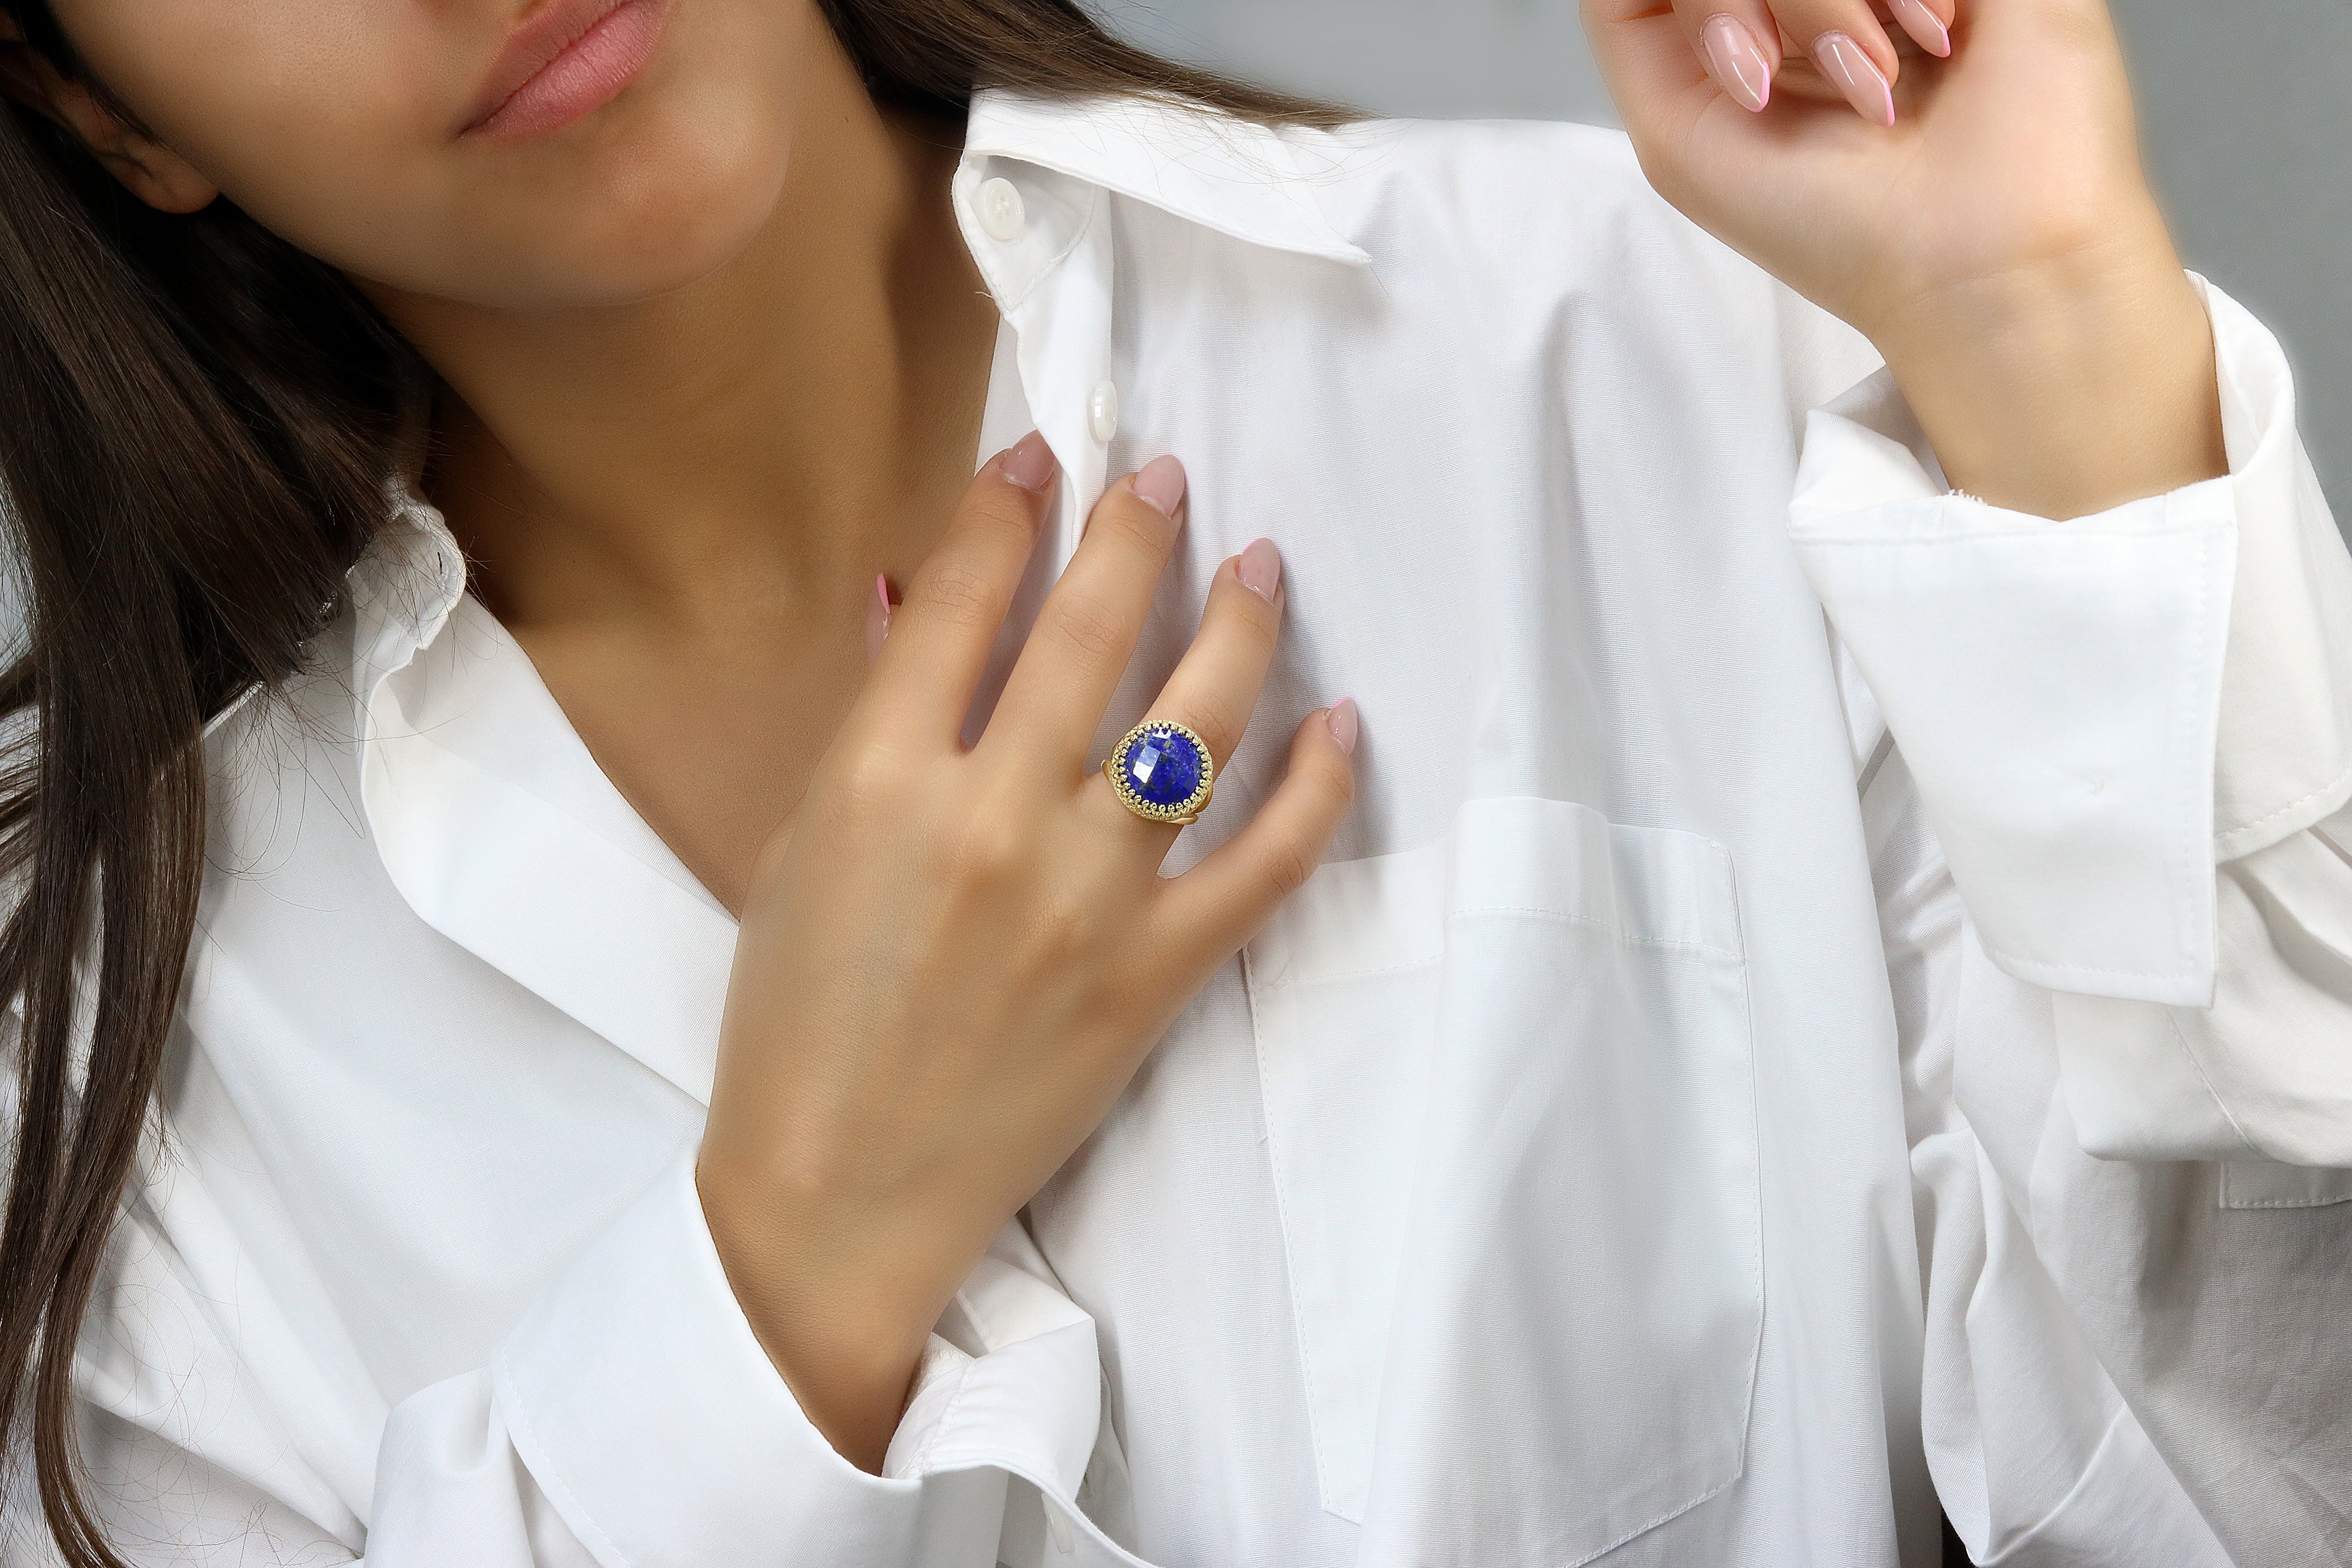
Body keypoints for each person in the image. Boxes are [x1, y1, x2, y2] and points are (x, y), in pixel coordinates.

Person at [0, 0, 2344, 1563]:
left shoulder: (1649, 352)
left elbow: (2270, 1486)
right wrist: (779, 1277)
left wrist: (2045, 325)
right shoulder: (130, 1125)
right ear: (101, 104)